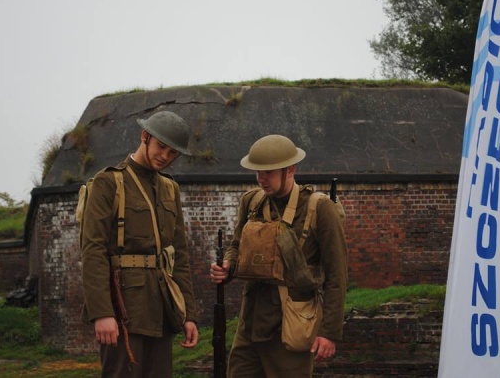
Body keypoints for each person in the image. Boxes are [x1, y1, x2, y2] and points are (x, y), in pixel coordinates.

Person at [210, 134, 348, 378]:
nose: (262, 179)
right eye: (258, 173)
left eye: (268, 172)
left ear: (290, 170)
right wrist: (228, 265)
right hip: (251, 322)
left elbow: (337, 275)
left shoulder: (319, 208)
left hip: (291, 323)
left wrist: (329, 331)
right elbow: (236, 244)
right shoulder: (251, 201)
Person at [81, 110, 199, 378]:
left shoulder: (170, 189)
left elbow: (178, 256)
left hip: (161, 308)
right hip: (124, 308)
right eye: (161, 147)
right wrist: (102, 312)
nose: (165, 157)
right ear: (145, 136)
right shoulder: (108, 182)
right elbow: (93, 250)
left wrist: (189, 314)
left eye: (173, 153)